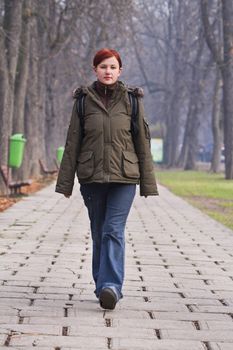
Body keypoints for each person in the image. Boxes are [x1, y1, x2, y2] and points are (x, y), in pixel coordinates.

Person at [55, 48, 158, 310]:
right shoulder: (82, 102)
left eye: (112, 67)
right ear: (95, 70)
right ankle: (102, 286)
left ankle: (111, 286)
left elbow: (142, 143)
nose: (108, 71)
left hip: (125, 177)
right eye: (103, 67)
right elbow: (73, 142)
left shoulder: (132, 100)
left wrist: (148, 183)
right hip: (92, 177)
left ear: (119, 70)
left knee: (113, 230)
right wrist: (65, 184)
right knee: (100, 231)